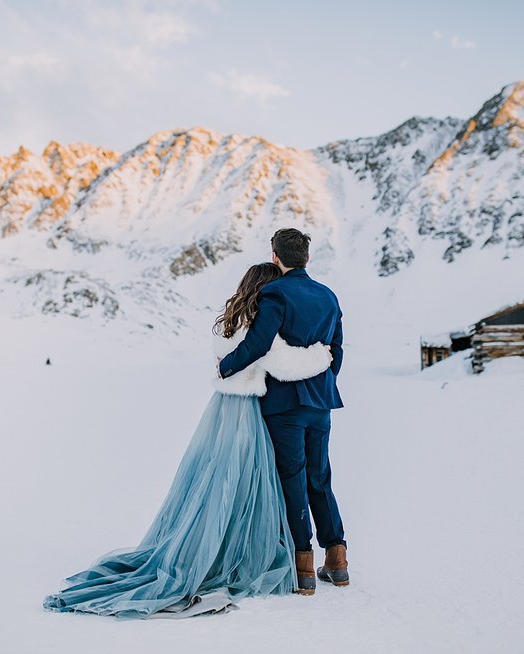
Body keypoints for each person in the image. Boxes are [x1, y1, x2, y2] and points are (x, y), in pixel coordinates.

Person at [43, 262, 334, 618]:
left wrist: (226, 368)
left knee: (218, 479)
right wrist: (322, 355)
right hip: (249, 413)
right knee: (258, 482)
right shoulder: (262, 327)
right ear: (266, 291)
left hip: (222, 411)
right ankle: (269, 552)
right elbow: (278, 359)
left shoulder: (228, 321)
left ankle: (221, 542)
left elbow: (231, 357)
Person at [217, 228, 348, 595]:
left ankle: (302, 564)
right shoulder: (328, 296)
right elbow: (337, 350)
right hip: (320, 401)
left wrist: (226, 366)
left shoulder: (275, 292)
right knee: (320, 477)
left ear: (276, 256)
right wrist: (323, 382)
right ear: (306, 257)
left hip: (284, 403)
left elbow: (259, 343)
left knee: (292, 477)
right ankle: (337, 559)